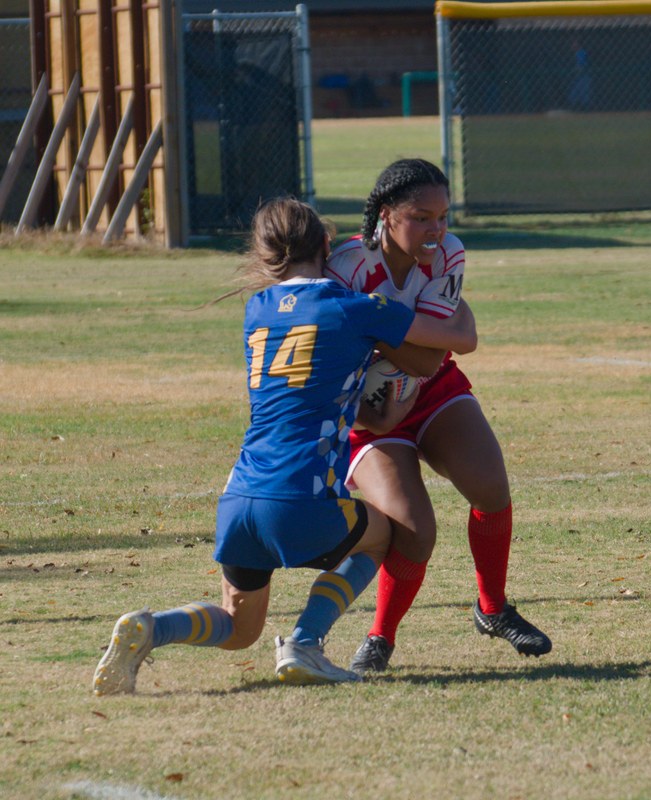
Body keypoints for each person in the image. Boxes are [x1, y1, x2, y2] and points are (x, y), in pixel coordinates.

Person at [93, 197, 472, 695]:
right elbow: (445, 346)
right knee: (390, 534)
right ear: (326, 245)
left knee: (238, 628)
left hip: (239, 497)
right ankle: (305, 641)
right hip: (300, 499)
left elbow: (311, 387)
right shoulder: (356, 307)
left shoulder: (258, 309)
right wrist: (449, 294)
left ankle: (152, 627)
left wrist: (379, 415)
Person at [324, 159, 552, 674]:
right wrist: (445, 333)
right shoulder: (347, 266)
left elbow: (429, 362)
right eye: (422, 217)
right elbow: (439, 341)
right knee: (416, 530)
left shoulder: (447, 253)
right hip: (365, 410)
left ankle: (492, 609)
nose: (437, 230)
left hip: (430, 388)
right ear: (386, 215)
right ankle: (380, 637)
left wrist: (375, 324)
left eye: (443, 216)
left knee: (491, 486)